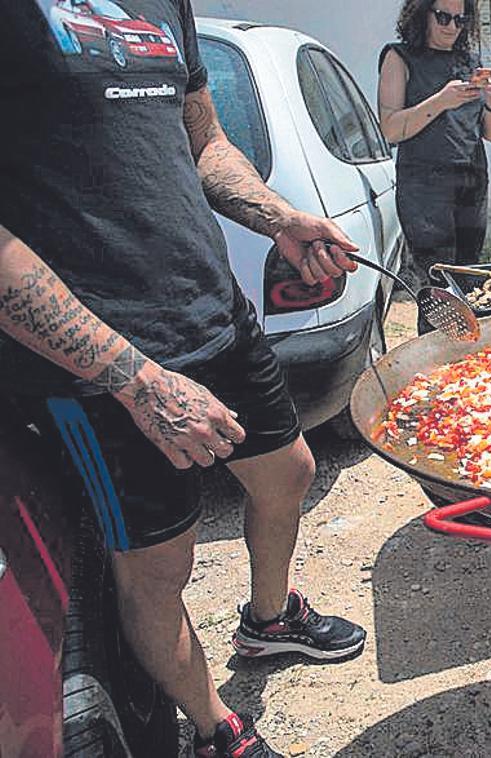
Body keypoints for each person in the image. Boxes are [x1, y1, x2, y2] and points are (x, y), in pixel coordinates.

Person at [0, 2, 369, 755]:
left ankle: (270, 622)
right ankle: (216, 729)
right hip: (99, 359)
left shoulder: (164, 4)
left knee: (289, 473)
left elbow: (206, 143)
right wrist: (136, 381)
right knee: (159, 567)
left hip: (213, 309)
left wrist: (277, 217)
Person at [378, 0, 491, 286]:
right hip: (424, 186)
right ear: (422, 14)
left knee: (468, 276)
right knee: (437, 281)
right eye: (443, 17)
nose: (452, 27)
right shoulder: (399, 57)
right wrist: (441, 101)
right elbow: (390, 130)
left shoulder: (470, 62)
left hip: (472, 180)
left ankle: (466, 331)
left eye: (460, 20)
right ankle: (435, 332)